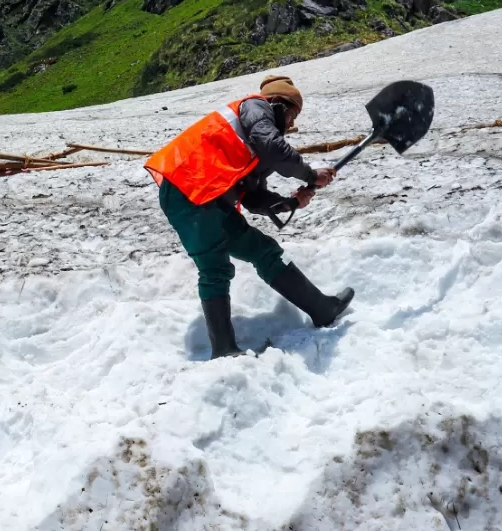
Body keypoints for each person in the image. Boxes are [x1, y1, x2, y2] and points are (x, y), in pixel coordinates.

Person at [145, 74, 353, 358]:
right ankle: (223, 348)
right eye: (293, 114)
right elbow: (273, 146)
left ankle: (322, 309)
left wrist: (291, 202)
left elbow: (254, 198)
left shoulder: (257, 142)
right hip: (187, 189)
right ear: (279, 103)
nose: (292, 123)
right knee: (214, 268)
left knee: (263, 250)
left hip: (210, 195)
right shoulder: (256, 108)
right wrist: (310, 174)